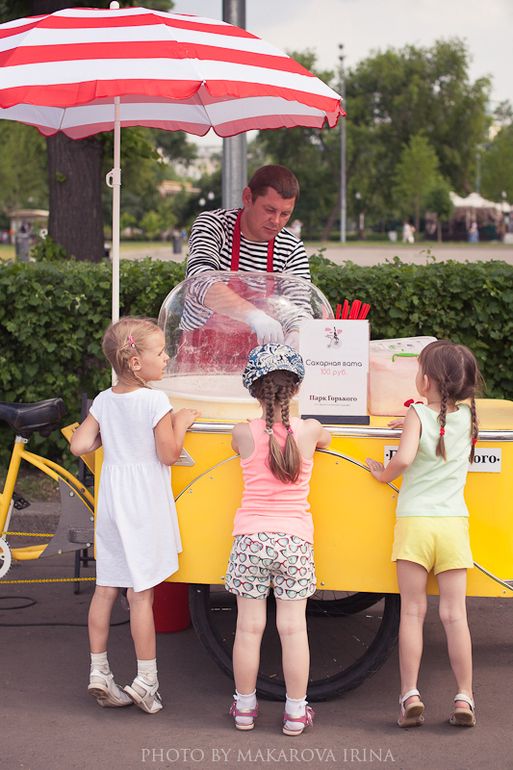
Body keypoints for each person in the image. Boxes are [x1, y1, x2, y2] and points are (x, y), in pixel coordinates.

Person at [70, 317, 200, 714]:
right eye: (160, 352)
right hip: (143, 504)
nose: (167, 357)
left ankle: (98, 671)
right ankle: (146, 681)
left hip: (112, 503)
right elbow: (168, 454)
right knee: (140, 595)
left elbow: (79, 445)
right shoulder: (155, 402)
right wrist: (181, 422)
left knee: (105, 588)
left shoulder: (104, 400)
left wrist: (108, 434)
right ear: (136, 362)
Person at [365, 340, 482, 729]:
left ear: (427, 380)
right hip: (452, 525)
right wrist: (414, 426)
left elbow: (404, 458)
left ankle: (410, 696)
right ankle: (464, 697)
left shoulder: (417, 413)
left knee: (413, 613)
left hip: (415, 523)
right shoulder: (469, 417)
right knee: (455, 615)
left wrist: (381, 474)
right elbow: (442, 428)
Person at [225, 343, 331, 735]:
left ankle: (244, 709)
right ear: (296, 389)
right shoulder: (311, 430)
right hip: (294, 542)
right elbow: (327, 439)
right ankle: (296, 713)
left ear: (253, 391)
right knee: (293, 629)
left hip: (250, 541)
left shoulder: (241, 433)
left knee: (248, 629)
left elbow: (249, 441)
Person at [185, 165, 310, 347]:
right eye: (269, 210)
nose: (276, 221)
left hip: (259, 352)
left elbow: (298, 306)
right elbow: (200, 279)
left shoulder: (291, 247)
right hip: (201, 349)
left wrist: (297, 332)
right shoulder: (213, 225)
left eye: (285, 214)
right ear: (247, 198)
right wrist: (253, 315)